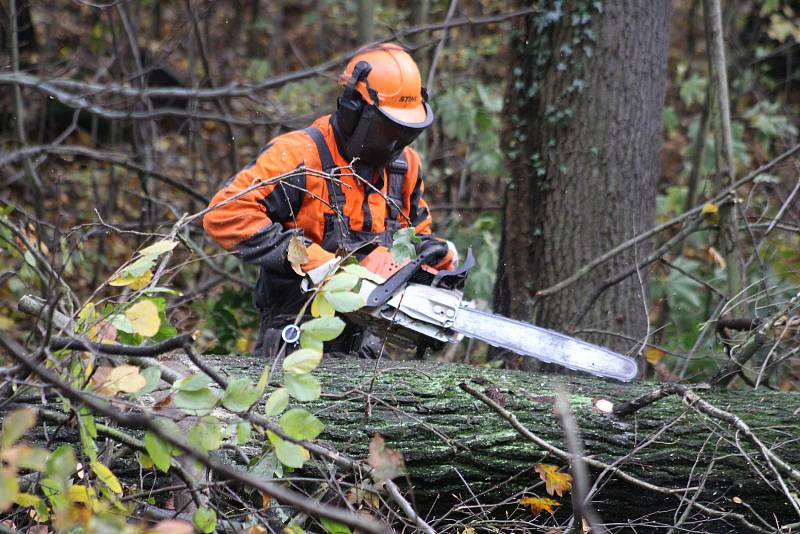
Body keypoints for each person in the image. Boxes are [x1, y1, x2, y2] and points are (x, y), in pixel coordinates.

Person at [203, 44, 454, 356]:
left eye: (405, 133)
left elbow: (414, 236)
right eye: (386, 129)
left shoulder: (405, 168)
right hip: (296, 335)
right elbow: (224, 213)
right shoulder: (300, 156)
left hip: (369, 346)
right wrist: (311, 261)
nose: (395, 144)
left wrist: (433, 258)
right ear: (353, 110)